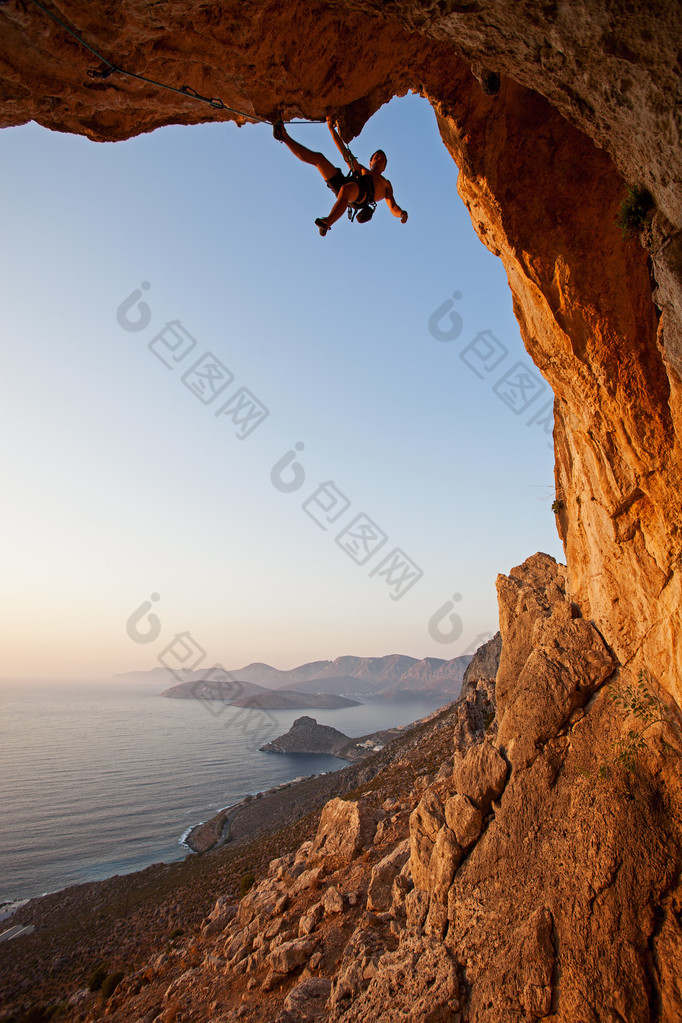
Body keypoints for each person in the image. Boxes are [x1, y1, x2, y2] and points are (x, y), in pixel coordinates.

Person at [273, 117, 408, 236]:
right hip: (346, 185)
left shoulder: (385, 183)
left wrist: (401, 214)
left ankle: (327, 222)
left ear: (384, 168)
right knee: (319, 159)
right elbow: (345, 153)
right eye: (376, 157)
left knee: (347, 190)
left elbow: (393, 206)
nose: (379, 159)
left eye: (382, 159)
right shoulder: (361, 169)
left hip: (360, 196)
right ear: (370, 161)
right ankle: (283, 136)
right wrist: (332, 130)